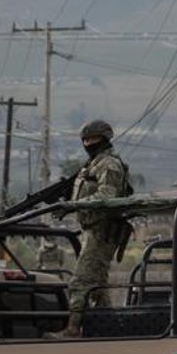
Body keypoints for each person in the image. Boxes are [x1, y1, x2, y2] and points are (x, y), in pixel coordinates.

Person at [48, 120, 132, 339]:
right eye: (84, 140)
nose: (87, 143)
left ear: (104, 139)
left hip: (102, 230)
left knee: (81, 281)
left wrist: (74, 205)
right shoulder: (92, 164)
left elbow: (107, 196)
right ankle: (112, 328)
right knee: (98, 285)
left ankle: (73, 328)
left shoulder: (109, 165)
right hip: (92, 230)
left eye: (92, 139)